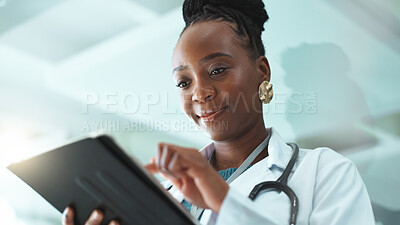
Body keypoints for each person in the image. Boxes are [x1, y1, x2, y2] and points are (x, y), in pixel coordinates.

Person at [62, 0, 375, 224]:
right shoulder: (163, 193)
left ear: (261, 71)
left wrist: (223, 201)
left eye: (217, 70)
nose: (200, 93)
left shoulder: (325, 173)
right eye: (184, 82)